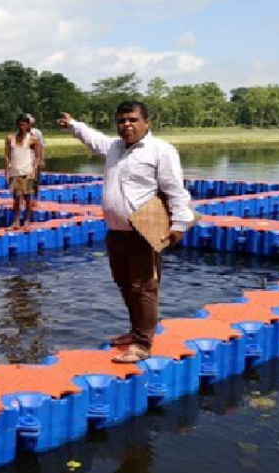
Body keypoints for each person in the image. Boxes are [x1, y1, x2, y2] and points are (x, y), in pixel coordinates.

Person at [59, 101, 194, 363]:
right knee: (125, 285)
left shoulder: (161, 151)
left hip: (144, 229)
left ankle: (143, 344)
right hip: (116, 231)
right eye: (121, 121)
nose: (127, 125)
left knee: (144, 288)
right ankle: (135, 331)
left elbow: (175, 190)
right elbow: (92, 139)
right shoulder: (114, 148)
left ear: (147, 122)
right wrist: (73, 125)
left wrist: (179, 224)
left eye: (132, 120)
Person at [4, 114, 43, 228]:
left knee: (27, 197)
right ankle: (16, 222)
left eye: (24, 124)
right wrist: (6, 170)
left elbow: (38, 156)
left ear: (28, 125)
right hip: (15, 172)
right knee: (16, 198)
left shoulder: (32, 139)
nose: (22, 126)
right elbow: (7, 155)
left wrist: (34, 170)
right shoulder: (10, 138)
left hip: (27, 172)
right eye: (20, 124)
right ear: (17, 125)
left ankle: (26, 221)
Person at [28, 114, 46, 195]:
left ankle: (35, 197)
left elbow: (42, 146)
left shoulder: (37, 132)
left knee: (35, 180)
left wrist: (42, 160)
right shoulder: (20, 133)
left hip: (35, 159)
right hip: (25, 160)